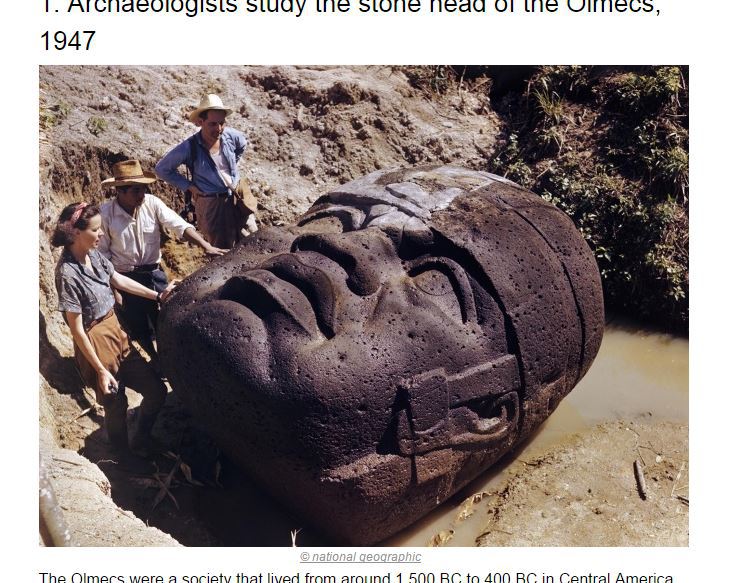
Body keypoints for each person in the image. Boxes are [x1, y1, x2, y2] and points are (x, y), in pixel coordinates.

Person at [53, 201, 176, 455]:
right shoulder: (67, 274)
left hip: (117, 330)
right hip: (96, 342)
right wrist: (100, 370)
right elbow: (77, 329)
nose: (101, 234)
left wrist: (157, 296)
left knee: (156, 391)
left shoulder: (94, 255)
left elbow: (117, 279)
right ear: (76, 233)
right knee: (115, 405)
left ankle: (141, 437)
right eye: (95, 230)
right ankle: (122, 457)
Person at [99, 159, 225, 357]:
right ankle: (153, 360)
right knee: (138, 325)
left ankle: (169, 359)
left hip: (154, 275)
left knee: (166, 318)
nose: (142, 194)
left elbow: (178, 225)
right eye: (136, 190)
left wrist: (205, 245)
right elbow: (103, 255)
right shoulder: (105, 214)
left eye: (143, 189)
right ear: (120, 191)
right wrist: (113, 288)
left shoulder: (152, 203)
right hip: (126, 278)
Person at [155, 94, 258, 249]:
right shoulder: (189, 147)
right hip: (212, 204)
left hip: (237, 197)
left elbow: (242, 144)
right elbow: (162, 169)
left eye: (222, 123)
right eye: (213, 124)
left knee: (252, 241)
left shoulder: (230, 136)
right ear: (200, 122)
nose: (219, 129)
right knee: (222, 250)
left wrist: (232, 171)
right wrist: (189, 186)